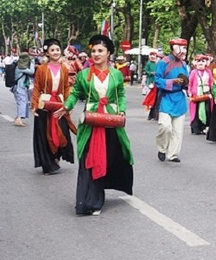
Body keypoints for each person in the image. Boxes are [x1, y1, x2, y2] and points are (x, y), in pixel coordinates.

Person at [57, 34, 133, 215]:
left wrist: (122, 109)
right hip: (91, 121)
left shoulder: (116, 75)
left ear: (108, 53)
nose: (96, 54)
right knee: (90, 159)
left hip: (110, 121)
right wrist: (66, 106)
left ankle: (107, 185)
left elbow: (121, 95)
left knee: (110, 156)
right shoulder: (84, 75)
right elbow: (75, 94)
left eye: (101, 51)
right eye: (94, 51)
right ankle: (90, 201)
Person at [30, 39, 76, 175]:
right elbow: (37, 88)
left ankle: (57, 156)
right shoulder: (41, 69)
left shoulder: (64, 68)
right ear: (47, 53)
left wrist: (69, 105)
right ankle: (48, 163)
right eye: (52, 50)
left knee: (61, 131)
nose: (55, 52)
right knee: (45, 134)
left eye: (57, 50)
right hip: (44, 105)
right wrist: (34, 105)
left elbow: (67, 88)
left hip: (59, 105)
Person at [155, 38, 190, 163]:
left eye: (185, 47)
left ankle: (173, 154)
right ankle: (162, 148)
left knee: (177, 129)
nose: (183, 50)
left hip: (179, 98)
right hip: (166, 97)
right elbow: (157, 80)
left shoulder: (184, 64)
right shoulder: (163, 62)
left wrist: (185, 82)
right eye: (180, 47)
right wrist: (172, 82)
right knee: (165, 126)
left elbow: (188, 81)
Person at [188, 54, 213, 135]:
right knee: (196, 111)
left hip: (206, 93)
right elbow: (190, 83)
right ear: (195, 63)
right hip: (197, 93)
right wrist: (190, 92)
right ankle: (196, 128)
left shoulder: (208, 71)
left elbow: (211, 81)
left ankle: (205, 127)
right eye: (199, 61)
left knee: (207, 110)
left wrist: (212, 91)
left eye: (203, 61)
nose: (201, 63)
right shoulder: (193, 72)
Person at [11, 51, 35, 127]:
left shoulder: (18, 65)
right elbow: (31, 71)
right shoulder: (20, 67)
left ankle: (19, 118)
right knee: (22, 102)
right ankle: (19, 119)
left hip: (19, 87)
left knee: (21, 102)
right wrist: (32, 62)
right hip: (19, 88)